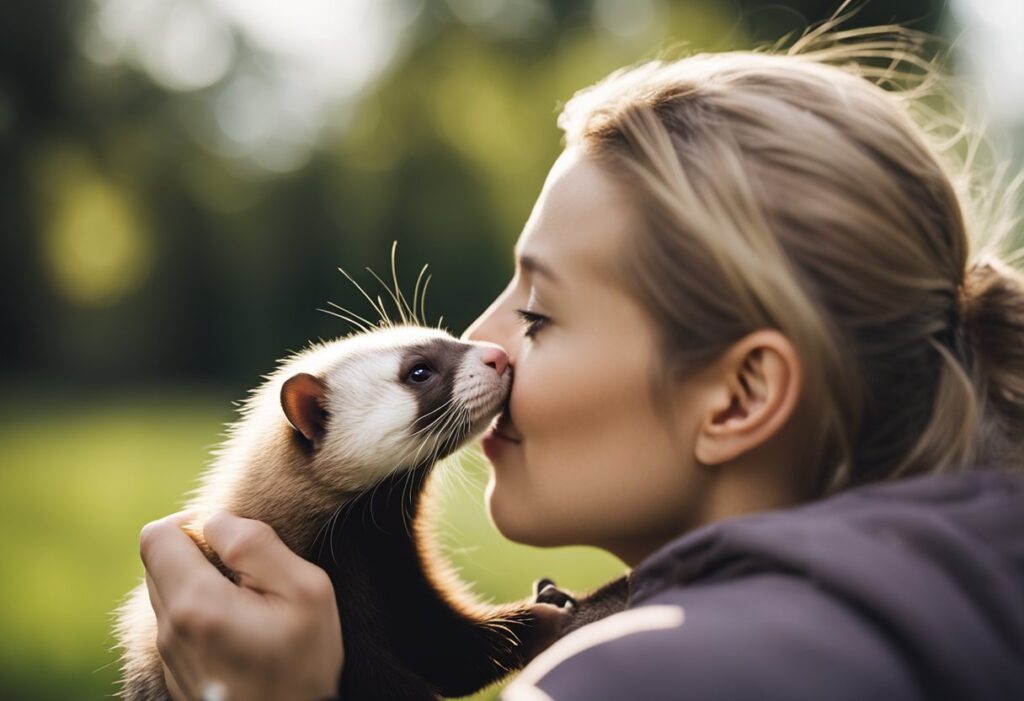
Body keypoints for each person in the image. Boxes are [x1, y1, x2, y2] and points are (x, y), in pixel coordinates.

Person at [137, 18, 1024, 701]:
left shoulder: (638, 683)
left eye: (540, 311)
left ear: (740, 394)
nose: (488, 341)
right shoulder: (969, 597)